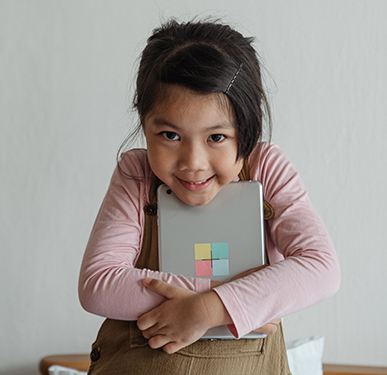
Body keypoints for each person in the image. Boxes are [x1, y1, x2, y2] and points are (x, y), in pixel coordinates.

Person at [78, 19, 340, 375]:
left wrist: (210, 310)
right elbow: (99, 284)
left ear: (248, 131)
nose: (192, 163)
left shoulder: (267, 167)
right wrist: (221, 303)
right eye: (170, 135)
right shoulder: (136, 175)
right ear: (144, 124)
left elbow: (320, 267)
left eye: (216, 138)